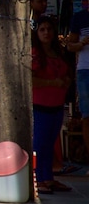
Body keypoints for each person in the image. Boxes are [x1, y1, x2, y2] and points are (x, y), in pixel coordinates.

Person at [33, 16, 73, 193]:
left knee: (50, 144)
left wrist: (65, 81)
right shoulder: (34, 54)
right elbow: (30, 80)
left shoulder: (58, 53)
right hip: (40, 106)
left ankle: (48, 178)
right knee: (40, 144)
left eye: (49, 29)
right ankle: (37, 179)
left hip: (57, 106)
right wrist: (52, 83)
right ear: (37, 32)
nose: (46, 32)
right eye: (42, 29)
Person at [65, 0, 89, 167]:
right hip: (85, 70)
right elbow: (70, 45)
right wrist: (82, 44)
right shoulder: (80, 18)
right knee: (87, 117)